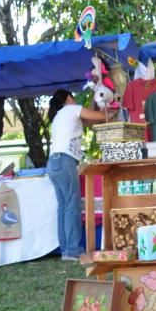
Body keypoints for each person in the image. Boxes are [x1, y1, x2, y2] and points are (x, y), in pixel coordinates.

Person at [47, 89, 113, 261]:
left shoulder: (60, 116)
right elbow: (99, 117)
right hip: (64, 160)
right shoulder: (70, 109)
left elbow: (89, 121)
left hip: (54, 162)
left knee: (63, 207)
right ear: (69, 98)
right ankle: (73, 250)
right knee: (71, 206)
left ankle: (66, 249)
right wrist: (111, 109)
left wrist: (95, 102)